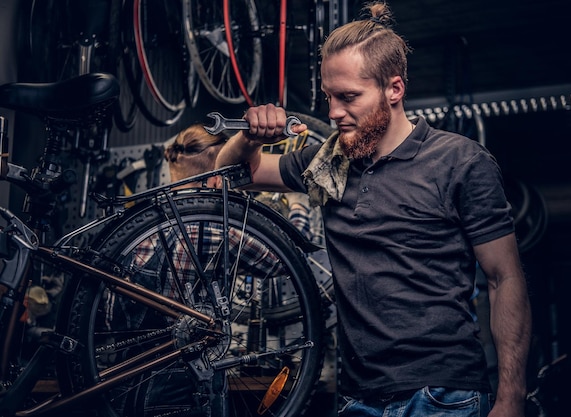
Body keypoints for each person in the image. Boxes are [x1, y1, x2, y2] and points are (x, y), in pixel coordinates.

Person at [215, 2, 532, 417]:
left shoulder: (460, 161)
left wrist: (511, 397)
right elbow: (230, 174)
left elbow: (504, 277)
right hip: (357, 400)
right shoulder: (328, 161)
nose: (333, 113)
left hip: (443, 395)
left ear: (394, 89)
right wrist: (252, 136)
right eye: (329, 97)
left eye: (349, 97)